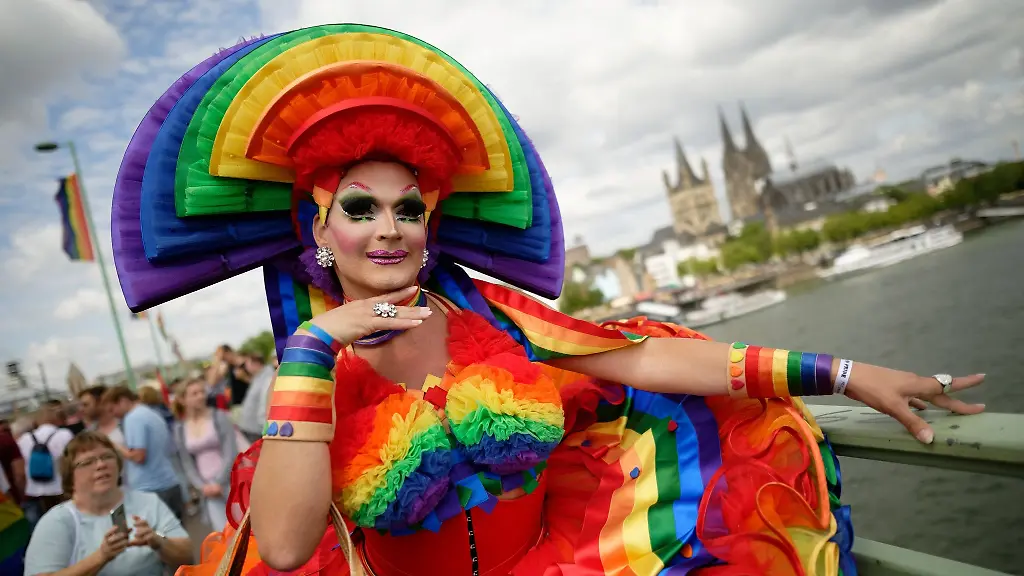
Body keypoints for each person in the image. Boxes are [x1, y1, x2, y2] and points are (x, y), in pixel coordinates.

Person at [113, 25, 985, 576]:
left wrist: (847, 373)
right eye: (361, 208)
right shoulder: (309, 373)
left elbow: (646, 356)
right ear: (320, 227)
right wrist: (313, 347)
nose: (389, 229)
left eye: (409, 208)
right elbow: (287, 545)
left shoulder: (487, 318)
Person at [22, 431, 192, 575]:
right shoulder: (57, 521)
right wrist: (101, 557)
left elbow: (188, 556)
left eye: (107, 456)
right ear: (70, 477)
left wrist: (159, 542)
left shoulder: (146, 501)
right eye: (88, 462)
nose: (101, 465)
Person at [102, 387, 184, 520]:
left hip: (150, 488)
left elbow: (138, 456)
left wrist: (115, 446)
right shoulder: (150, 412)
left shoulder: (133, 418)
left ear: (122, 401)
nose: (113, 414)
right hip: (167, 481)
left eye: (112, 409)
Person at [172, 379, 239, 530]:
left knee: (244, 526)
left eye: (202, 392)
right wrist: (201, 486)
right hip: (207, 489)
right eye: (194, 394)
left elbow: (230, 451)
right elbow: (186, 462)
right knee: (223, 531)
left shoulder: (219, 417)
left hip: (230, 481)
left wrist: (218, 481)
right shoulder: (180, 428)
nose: (201, 396)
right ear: (183, 399)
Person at [17, 400, 74, 526]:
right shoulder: (64, 435)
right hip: (60, 490)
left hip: (34, 492)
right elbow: (70, 462)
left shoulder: (24, 439)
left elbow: (20, 471)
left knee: (43, 527)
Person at [236, 353, 276, 444]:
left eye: (247, 364)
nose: (246, 368)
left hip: (256, 430)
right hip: (249, 428)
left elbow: (264, 403)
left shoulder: (268, 376)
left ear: (256, 363)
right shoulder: (258, 376)